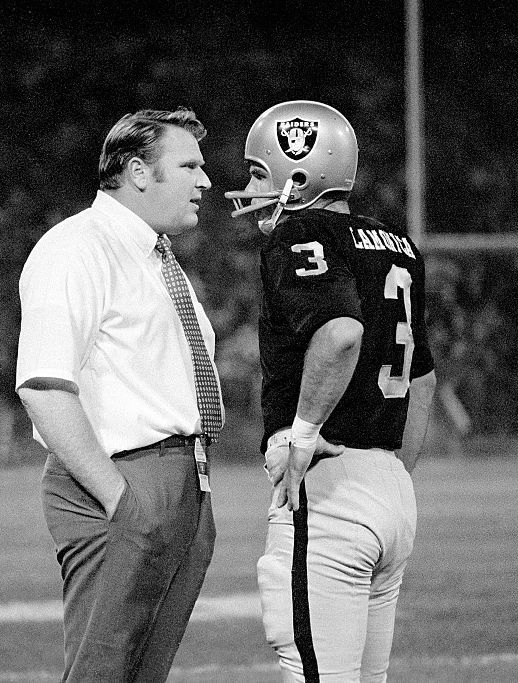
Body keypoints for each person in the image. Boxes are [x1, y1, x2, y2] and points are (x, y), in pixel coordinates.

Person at [225, 100, 437, 682]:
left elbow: (341, 333)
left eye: (259, 172)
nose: (249, 187)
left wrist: (302, 433)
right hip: (391, 491)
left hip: (331, 489)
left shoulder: (302, 231)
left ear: (299, 174)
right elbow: (423, 379)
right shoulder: (397, 244)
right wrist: (390, 474)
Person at [16, 107, 223, 682]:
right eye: (189, 165)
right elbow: (43, 386)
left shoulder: (153, 255)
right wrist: (120, 500)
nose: (205, 180)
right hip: (120, 481)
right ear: (137, 172)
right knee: (101, 672)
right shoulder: (77, 247)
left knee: (140, 674)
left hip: (180, 481)